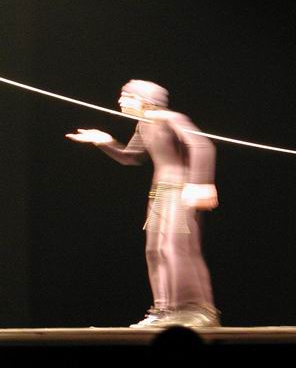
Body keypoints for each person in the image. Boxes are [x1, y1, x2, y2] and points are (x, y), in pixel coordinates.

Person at [66, 80, 221, 328]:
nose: (120, 101)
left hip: (178, 191)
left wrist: (199, 183)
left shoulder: (171, 119)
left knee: (175, 249)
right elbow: (131, 157)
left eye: (126, 96)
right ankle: (164, 309)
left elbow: (202, 145)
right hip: (160, 193)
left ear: (145, 100)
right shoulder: (144, 124)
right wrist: (104, 141)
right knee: (155, 251)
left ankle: (197, 309)